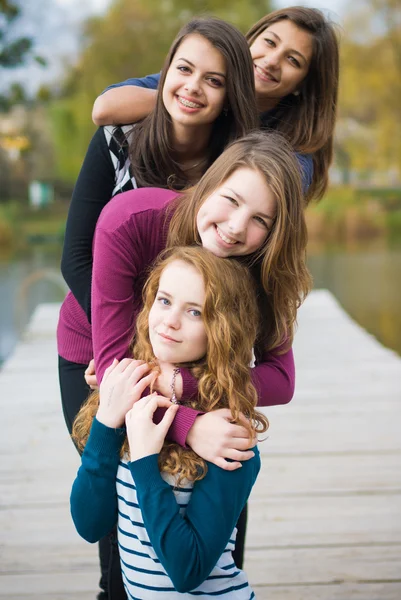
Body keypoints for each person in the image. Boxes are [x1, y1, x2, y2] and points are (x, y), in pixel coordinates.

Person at [58, 131, 311, 590]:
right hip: (107, 355)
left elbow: (281, 379)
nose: (235, 227)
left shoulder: (266, 266)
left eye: (260, 220)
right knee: (119, 526)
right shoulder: (133, 218)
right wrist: (187, 425)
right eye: (231, 200)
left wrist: (189, 392)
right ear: (209, 182)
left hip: (195, 370)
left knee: (207, 512)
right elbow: (119, 374)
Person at [58, 18, 257, 596]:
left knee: (213, 490)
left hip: (193, 346)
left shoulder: (232, 169)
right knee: (116, 495)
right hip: (102, 343)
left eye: (213, 80)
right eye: (183, 69)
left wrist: (183, 380)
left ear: (230, 97)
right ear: (163, 73)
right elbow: (76, 260)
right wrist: (131, 357)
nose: (193, 87)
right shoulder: (120, 138)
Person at [71, 245, 269, 598]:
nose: (170, 321)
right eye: (164, 301)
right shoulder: (128, 394)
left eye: (194, 311)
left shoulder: (227, 433)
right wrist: (105, 422)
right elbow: (89, 525)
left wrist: (146, 461)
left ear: (223, 328)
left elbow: (187, 570)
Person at [93, 6, 339, 203]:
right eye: (270, 42)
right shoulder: (196, 79)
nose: (272, 60)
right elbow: (104, 109)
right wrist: (191, 101)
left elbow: (261, 195)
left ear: (305, 83)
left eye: (293, 60)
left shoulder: (298, 142)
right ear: (250, 40)